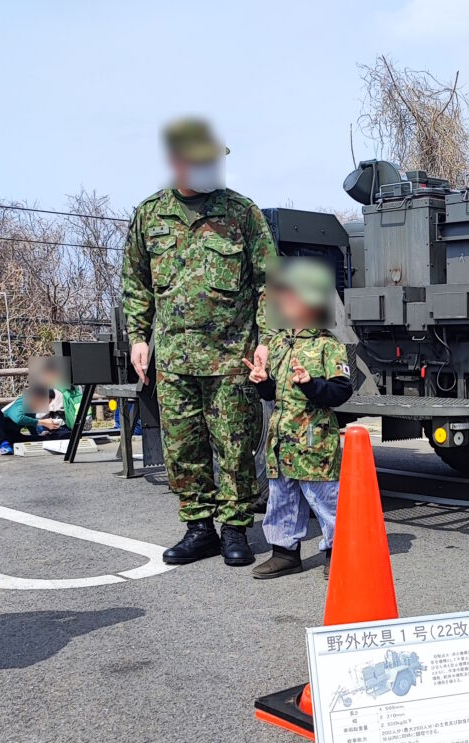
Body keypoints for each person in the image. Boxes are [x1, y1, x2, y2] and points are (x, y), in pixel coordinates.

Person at [121, 117, 277, 566]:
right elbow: (135, 282)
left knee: (234, 446)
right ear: (177, 163)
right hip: (173, 360)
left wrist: (266, 340)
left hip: (232, 358)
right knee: (184, 447)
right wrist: (138, 337)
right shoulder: (150, 215)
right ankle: (199, 528)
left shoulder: (241, 213)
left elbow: (269, 282)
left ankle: (235, 530)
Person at [242, 258, 352, 579]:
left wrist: (312, 384)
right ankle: (284, 552)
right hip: (281, 441)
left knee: (325, 499)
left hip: (313, 441)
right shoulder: (278, 344)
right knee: (282, 497)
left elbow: (340, 391)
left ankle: (338, 551)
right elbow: (273, 394)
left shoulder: (327, 347)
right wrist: (264, 382)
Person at [0, 363, 81, 454]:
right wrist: (42, 422)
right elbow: (18, 418)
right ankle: (3, 444)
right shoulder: (22, 402)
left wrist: (39, 433)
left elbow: (30, 423)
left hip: (12, 434)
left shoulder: (35, 407)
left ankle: (9, 442)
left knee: (45, 438)